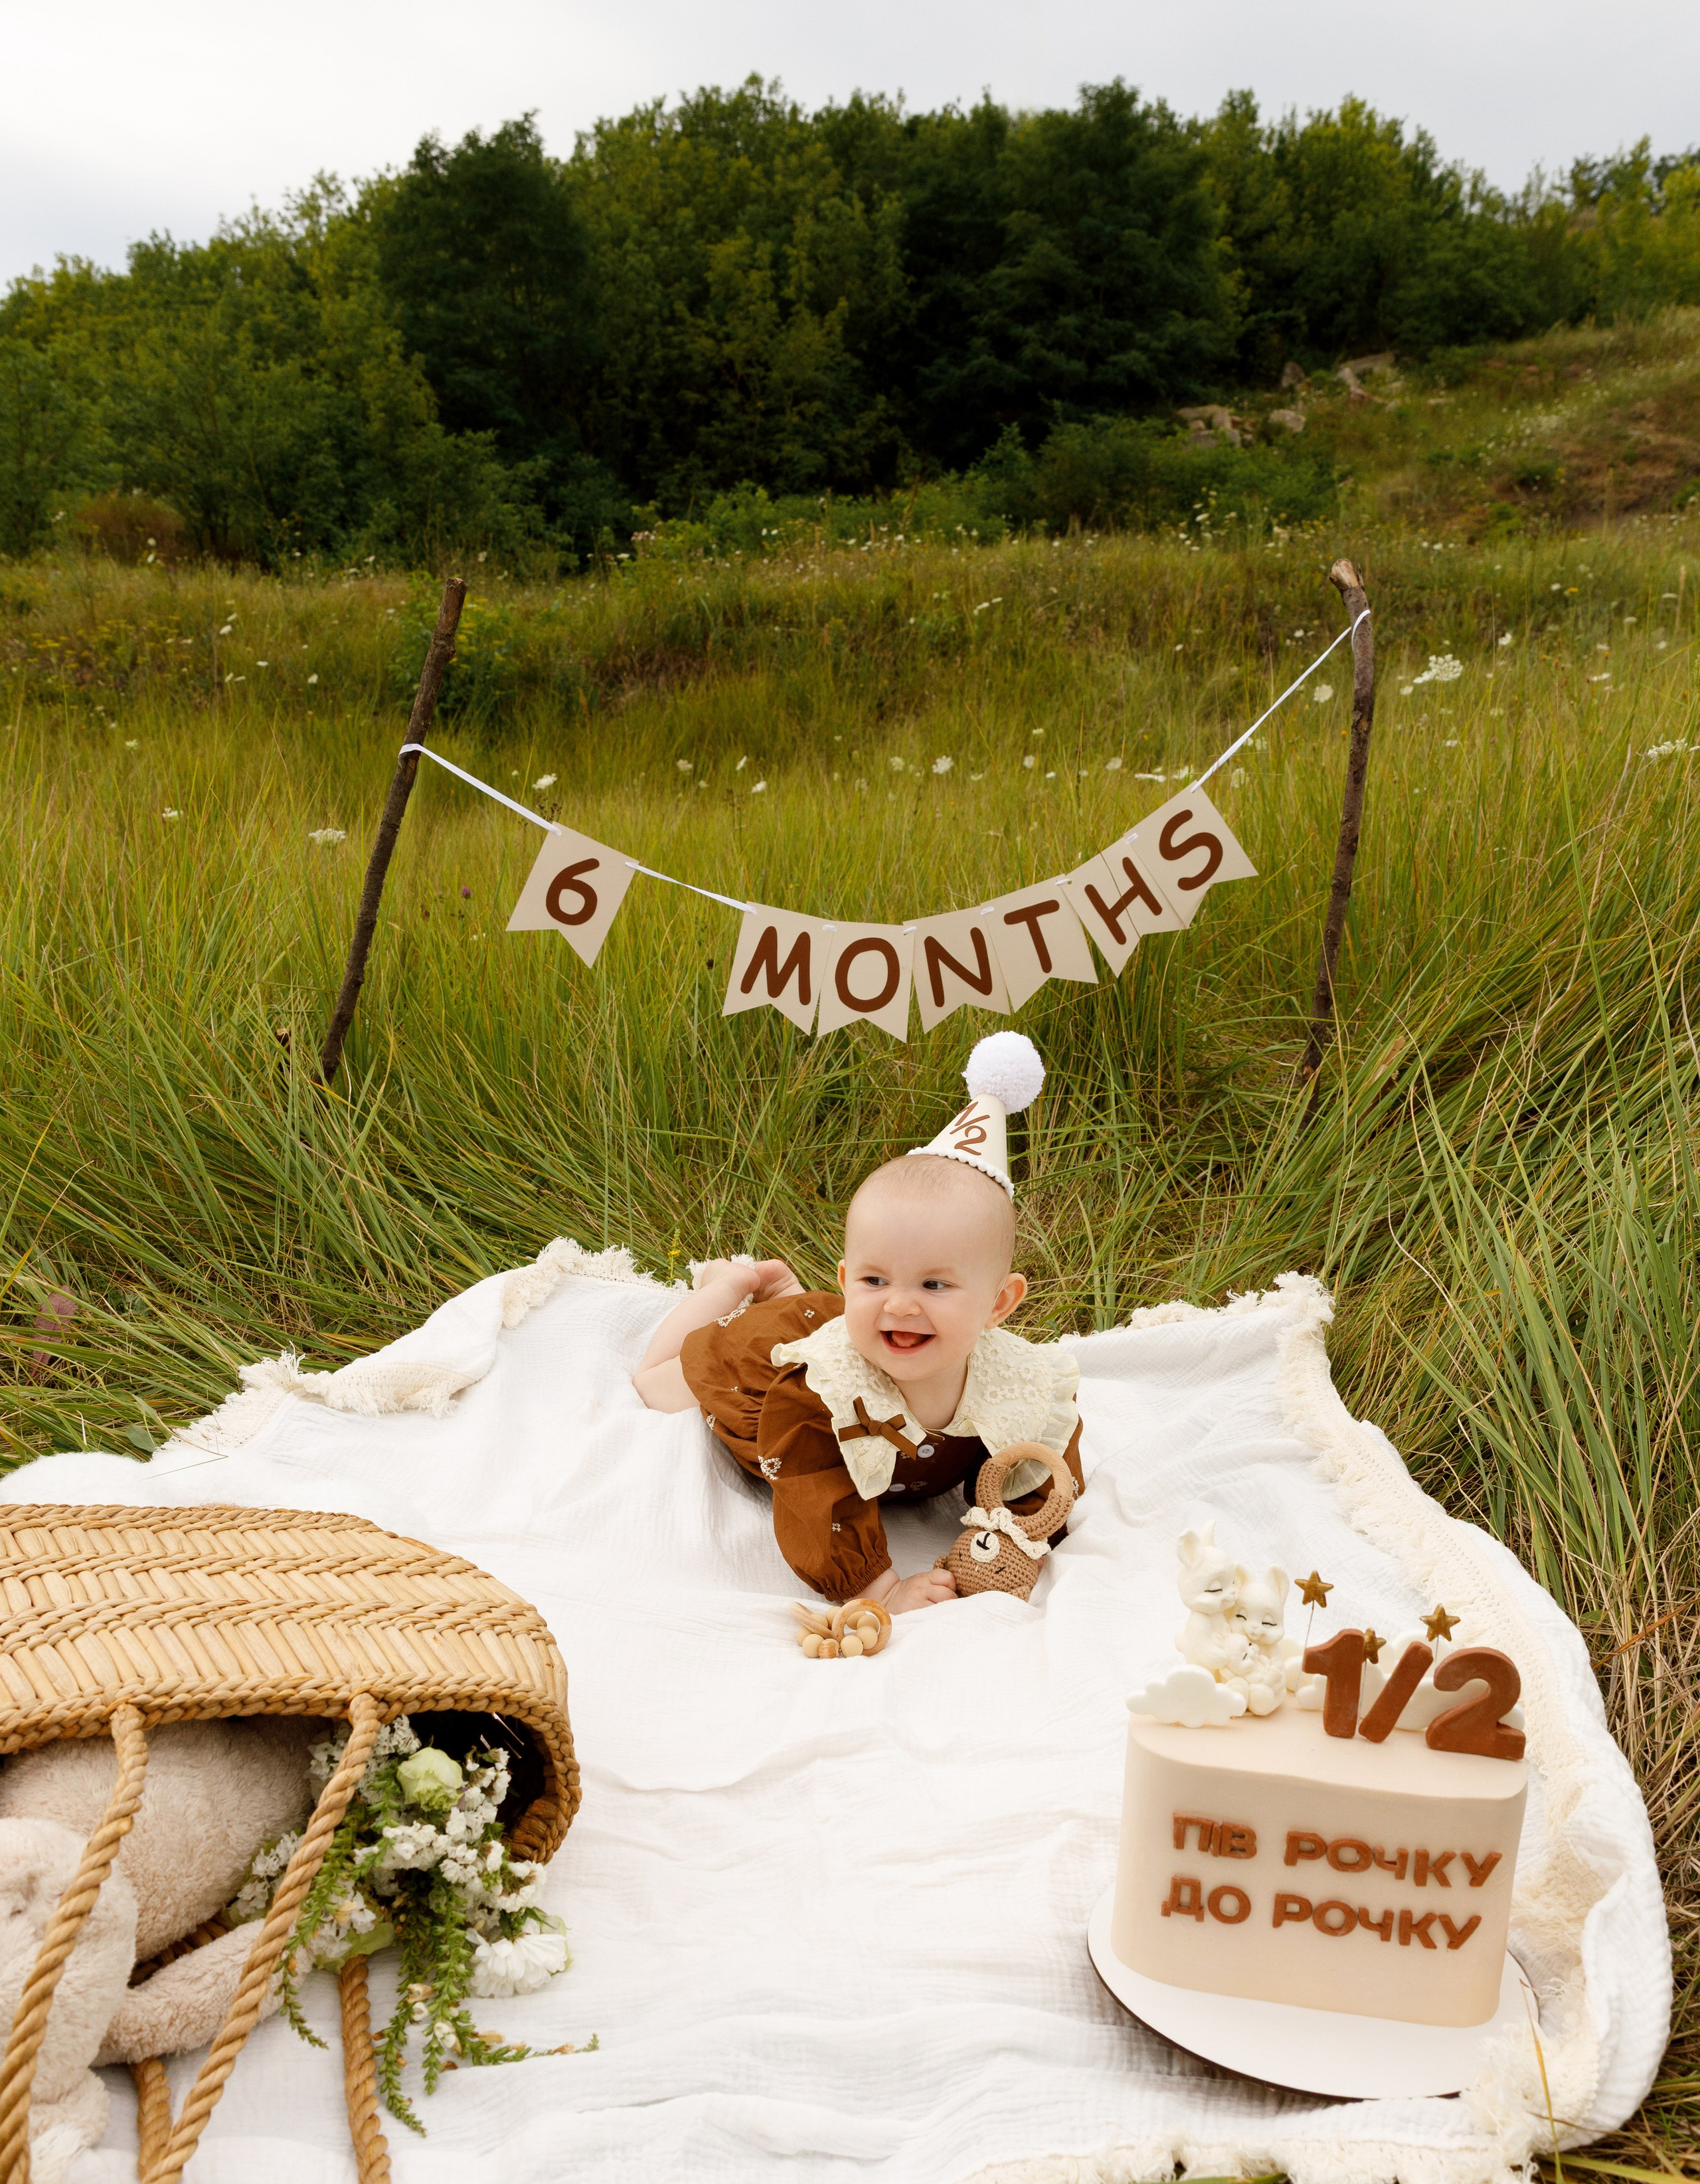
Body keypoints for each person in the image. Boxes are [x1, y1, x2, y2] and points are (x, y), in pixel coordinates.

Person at [634, 1034, 1083, 1614]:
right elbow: (814, 1492)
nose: (900, 1305)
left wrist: (1023, 1535)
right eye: (875, 1280)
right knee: (654, 1384)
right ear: (848, 1280)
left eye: (934, 1285)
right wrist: (879, 1589)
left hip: (839, 1325)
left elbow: (1041, 1463)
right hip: (765, 1366)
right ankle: (732, 1284)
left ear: (999, 1303)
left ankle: (790, 1291)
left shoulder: (1018, 1381)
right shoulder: (817, 1394)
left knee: (829, 1317)